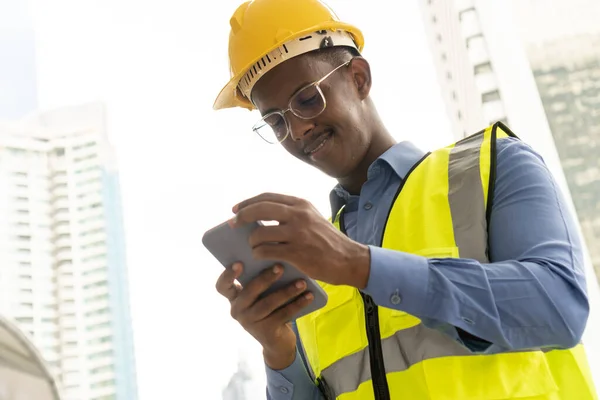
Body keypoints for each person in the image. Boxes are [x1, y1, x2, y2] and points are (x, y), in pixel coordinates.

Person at [213, 1, 598, 399]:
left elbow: (559, 308)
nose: (297, 131)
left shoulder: (493, 167)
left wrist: (361, 266)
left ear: (359, 79)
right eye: (276, 121)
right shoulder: (308, 260)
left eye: (307, 99)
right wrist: (279, 352)